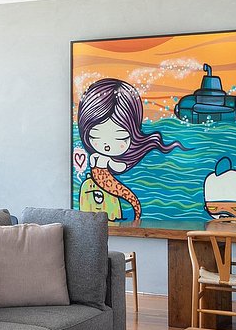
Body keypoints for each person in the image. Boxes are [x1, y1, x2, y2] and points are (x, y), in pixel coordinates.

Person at [75, 78, 180, 224]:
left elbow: (119, 167)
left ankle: (135, 216)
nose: (107, 145)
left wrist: (113, 163)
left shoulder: (110, 161)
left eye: (120, 137)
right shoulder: (94, 160)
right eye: (96, 135)